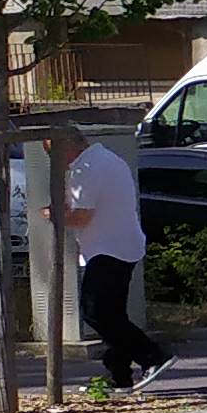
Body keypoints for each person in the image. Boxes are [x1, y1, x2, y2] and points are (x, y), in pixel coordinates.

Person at [47, 120, 171, 395]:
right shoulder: (106, 158)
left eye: (51, 151)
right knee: (113, 314)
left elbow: (81, 215)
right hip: (120, 244)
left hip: (108, 249)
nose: (52, 160)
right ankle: (119, 375)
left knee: (96, 313)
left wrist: (52, 214)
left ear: (66, 145)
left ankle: (152, 355)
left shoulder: (87, 168)